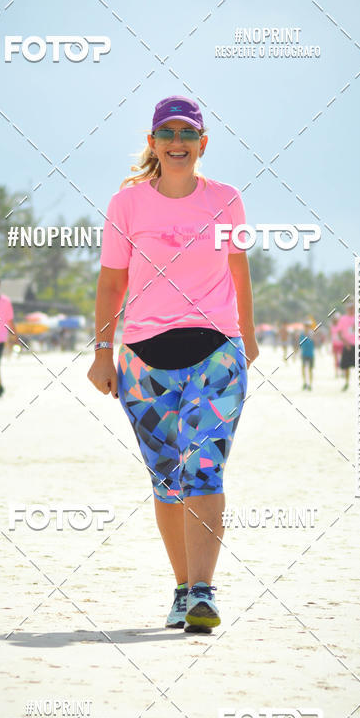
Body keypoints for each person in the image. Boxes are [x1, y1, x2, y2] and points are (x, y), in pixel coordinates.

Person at [87, 96, 258, 634]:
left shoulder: (226, 199)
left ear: (202, 143)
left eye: (187, 134)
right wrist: (102, 351)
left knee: (204, 468)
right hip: (143, 361)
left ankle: (204, 592)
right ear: (153, 142)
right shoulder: (126, 205)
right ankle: (183, 589)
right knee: (166, 479)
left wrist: (247, 338)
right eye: (168, 133)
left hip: (216, 355)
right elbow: (111, 281)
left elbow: (239, 270)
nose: (177, 142)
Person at [336, 302, 355, 390]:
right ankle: (347, 383)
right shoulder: (343, 319)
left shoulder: (359, 318)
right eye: (350, 308)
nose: (351, 310)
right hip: (347, 345)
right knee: (346, 366)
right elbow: (339, 333)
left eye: (352, 308)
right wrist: (345, 343)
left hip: (357, 345)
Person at [299, 319, 315, 390]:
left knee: (310, 370)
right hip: (304, 354)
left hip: (311, 354)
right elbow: (300, 344)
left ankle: (310, 384)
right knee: (303, 369)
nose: (307, 327)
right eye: (306, 326)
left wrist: (312, 337)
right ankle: (305, 383)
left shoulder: (312, 334)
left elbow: (316, 343)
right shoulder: (302, 334)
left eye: (308, 326)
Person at [330, 312, 343, 378]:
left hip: (341, 344)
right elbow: (331, 335)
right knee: (336, 360)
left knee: (342, 359)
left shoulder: (341, 326)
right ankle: (336, 373)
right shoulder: (332, 326)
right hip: (335, 344)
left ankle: (343, 372)